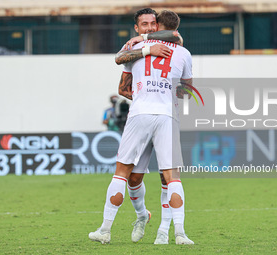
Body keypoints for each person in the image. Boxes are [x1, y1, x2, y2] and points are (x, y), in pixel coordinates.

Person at [89, 9, 194, 245]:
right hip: (163, 115)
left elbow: (122, 76)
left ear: (158, 26)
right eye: (144, 25)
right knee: (139, 177)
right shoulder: (180, 52)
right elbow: (186, 92)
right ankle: (151, 220)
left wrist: (149, 90)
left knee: (126, 172)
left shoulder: (134, 50)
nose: (148, 28)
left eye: (152, 24)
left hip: (145, 115)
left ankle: (107, 230)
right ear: (137, 27)